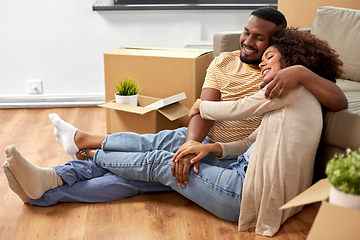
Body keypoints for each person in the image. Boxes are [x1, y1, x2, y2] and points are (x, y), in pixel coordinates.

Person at [4, 27, 344, 236]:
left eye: (270, 55)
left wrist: (199, 107)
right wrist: (209, 149)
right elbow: (253, 140)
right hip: (240, 170)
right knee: (156, 159)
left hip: (246, 193)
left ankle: (87, 153)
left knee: (155, 165)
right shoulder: (293, 93)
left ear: (294, 61)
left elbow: (242, 109)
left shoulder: (289, 88)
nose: (264, 64)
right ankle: (49, 185)